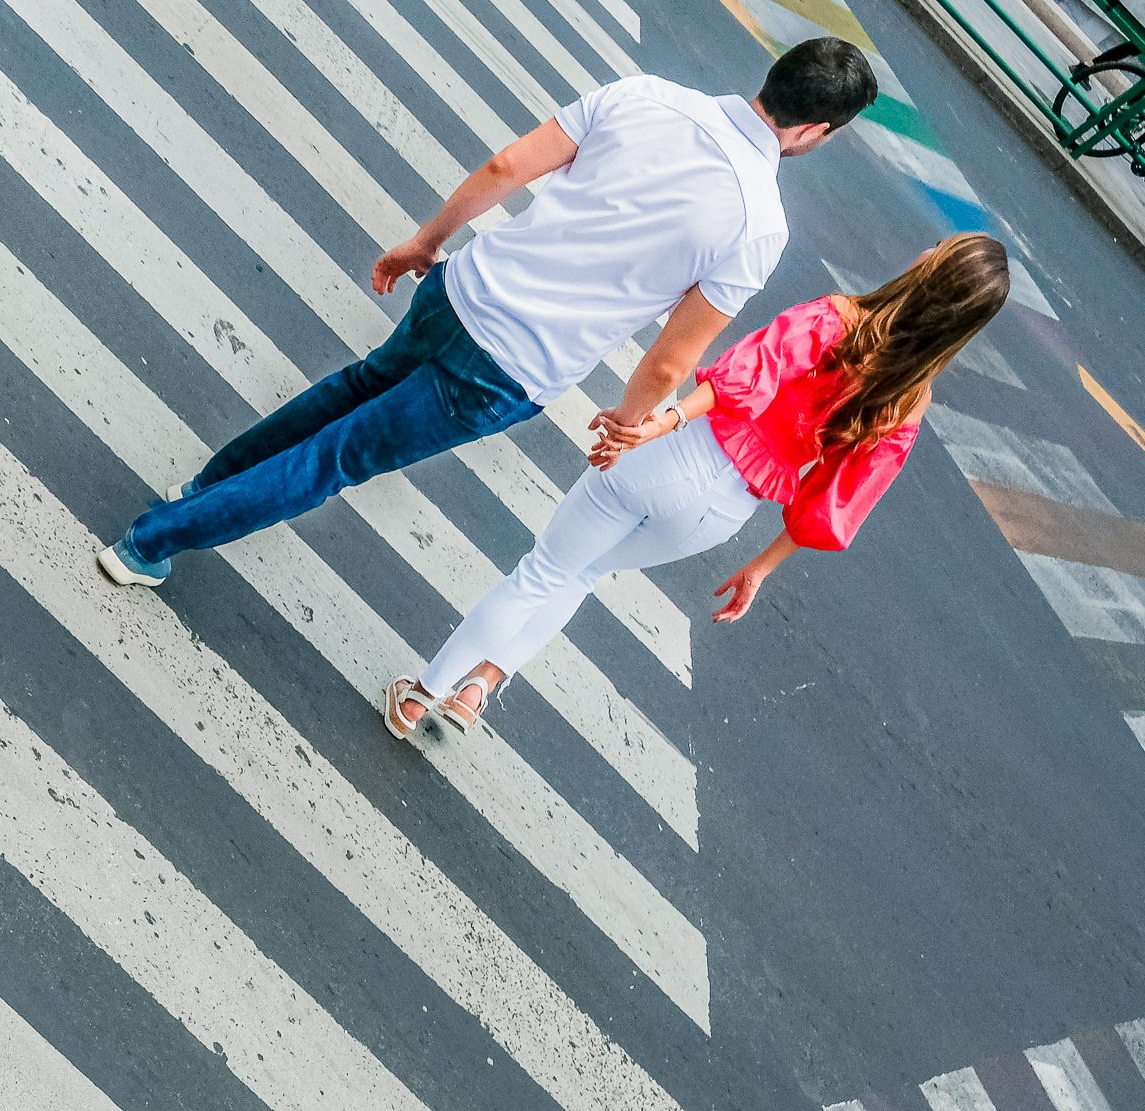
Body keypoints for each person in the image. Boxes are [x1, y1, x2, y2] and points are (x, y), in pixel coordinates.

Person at [97, 38, 878, 589]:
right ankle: (150, 543)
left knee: (347, 393)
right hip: (513, 370)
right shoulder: (758, 226)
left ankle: (202, 492)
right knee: (336, 460)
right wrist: (630, 426)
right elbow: (672, 359)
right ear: (814, 131)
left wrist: (425, 241)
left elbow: (507, 165)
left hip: (462, 289)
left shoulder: (648, 95)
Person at [384, 233, 1010, 738]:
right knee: (581, 577)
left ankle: (420, 696)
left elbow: (745, 377)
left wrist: (656, 423)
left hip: (683, 451)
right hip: (724, 513)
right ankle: (480, 684)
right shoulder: (906, 404)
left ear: (931, 269)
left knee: (542, 572)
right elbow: (832, 504)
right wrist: (761, 568)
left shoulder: (835, 318)